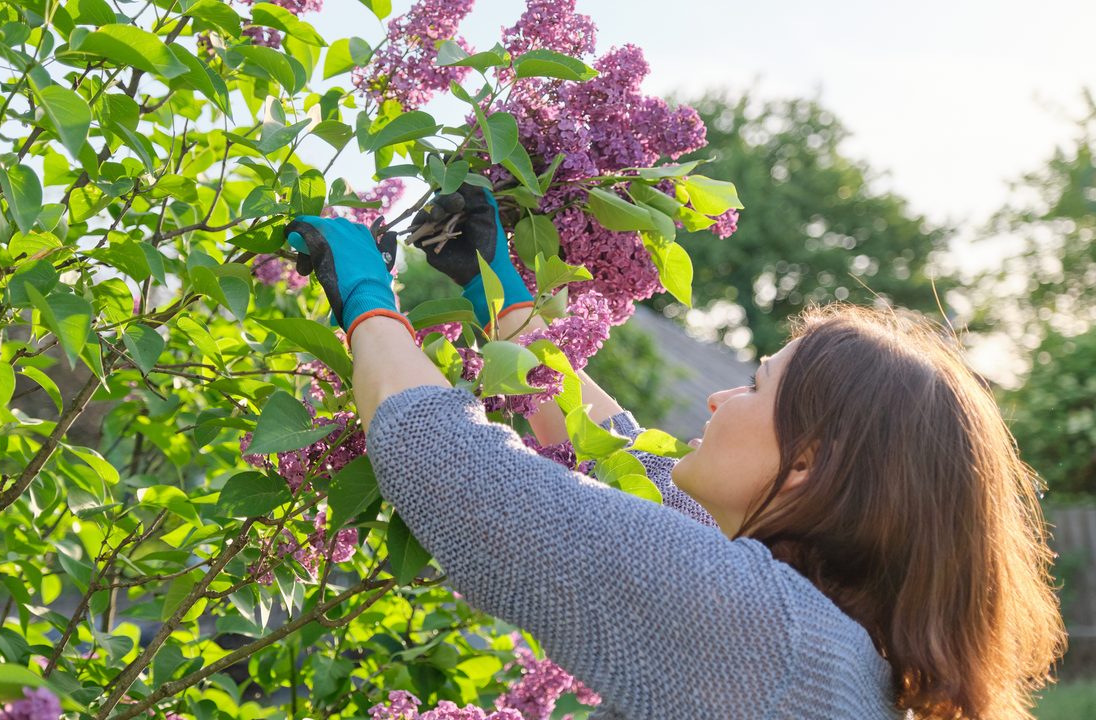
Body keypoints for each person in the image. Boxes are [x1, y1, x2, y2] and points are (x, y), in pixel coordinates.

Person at [284, 186, 1065, 720]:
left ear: (809, 464)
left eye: (756, 390)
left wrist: (362, 294)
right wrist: (507, 307)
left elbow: (457, 469)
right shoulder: (826, 643)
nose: (721, 400)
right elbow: (638, 476)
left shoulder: (765, 637)